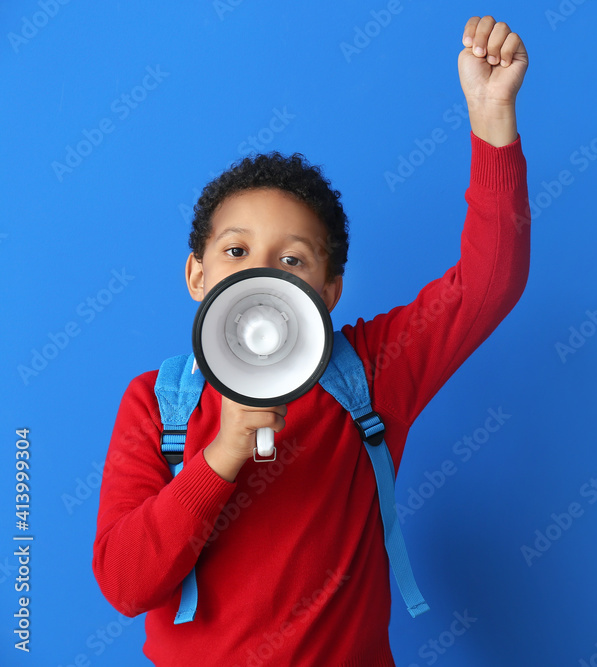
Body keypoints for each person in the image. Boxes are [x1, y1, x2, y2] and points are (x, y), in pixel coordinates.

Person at [92, 15, 529, 666]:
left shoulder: (369, 371)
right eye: (237, 250)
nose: (262, 274)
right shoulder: (158, 404)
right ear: (196, 274)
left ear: (328, 291)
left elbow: (487, 283)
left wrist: (491, 116)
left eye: (291, 260)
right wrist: (221, 455)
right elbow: (127, 583)